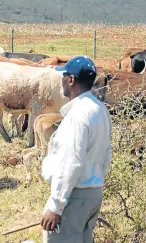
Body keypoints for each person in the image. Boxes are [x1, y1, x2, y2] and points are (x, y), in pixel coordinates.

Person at [40, 56, 112, 243]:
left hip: (74, 197)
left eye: (64, 75)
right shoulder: (99, 109)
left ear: (71, 80)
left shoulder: (77, 116)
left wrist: (56, 205)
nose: (61, 80)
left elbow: (70, 162)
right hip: (93, 193)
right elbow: (106, 155)